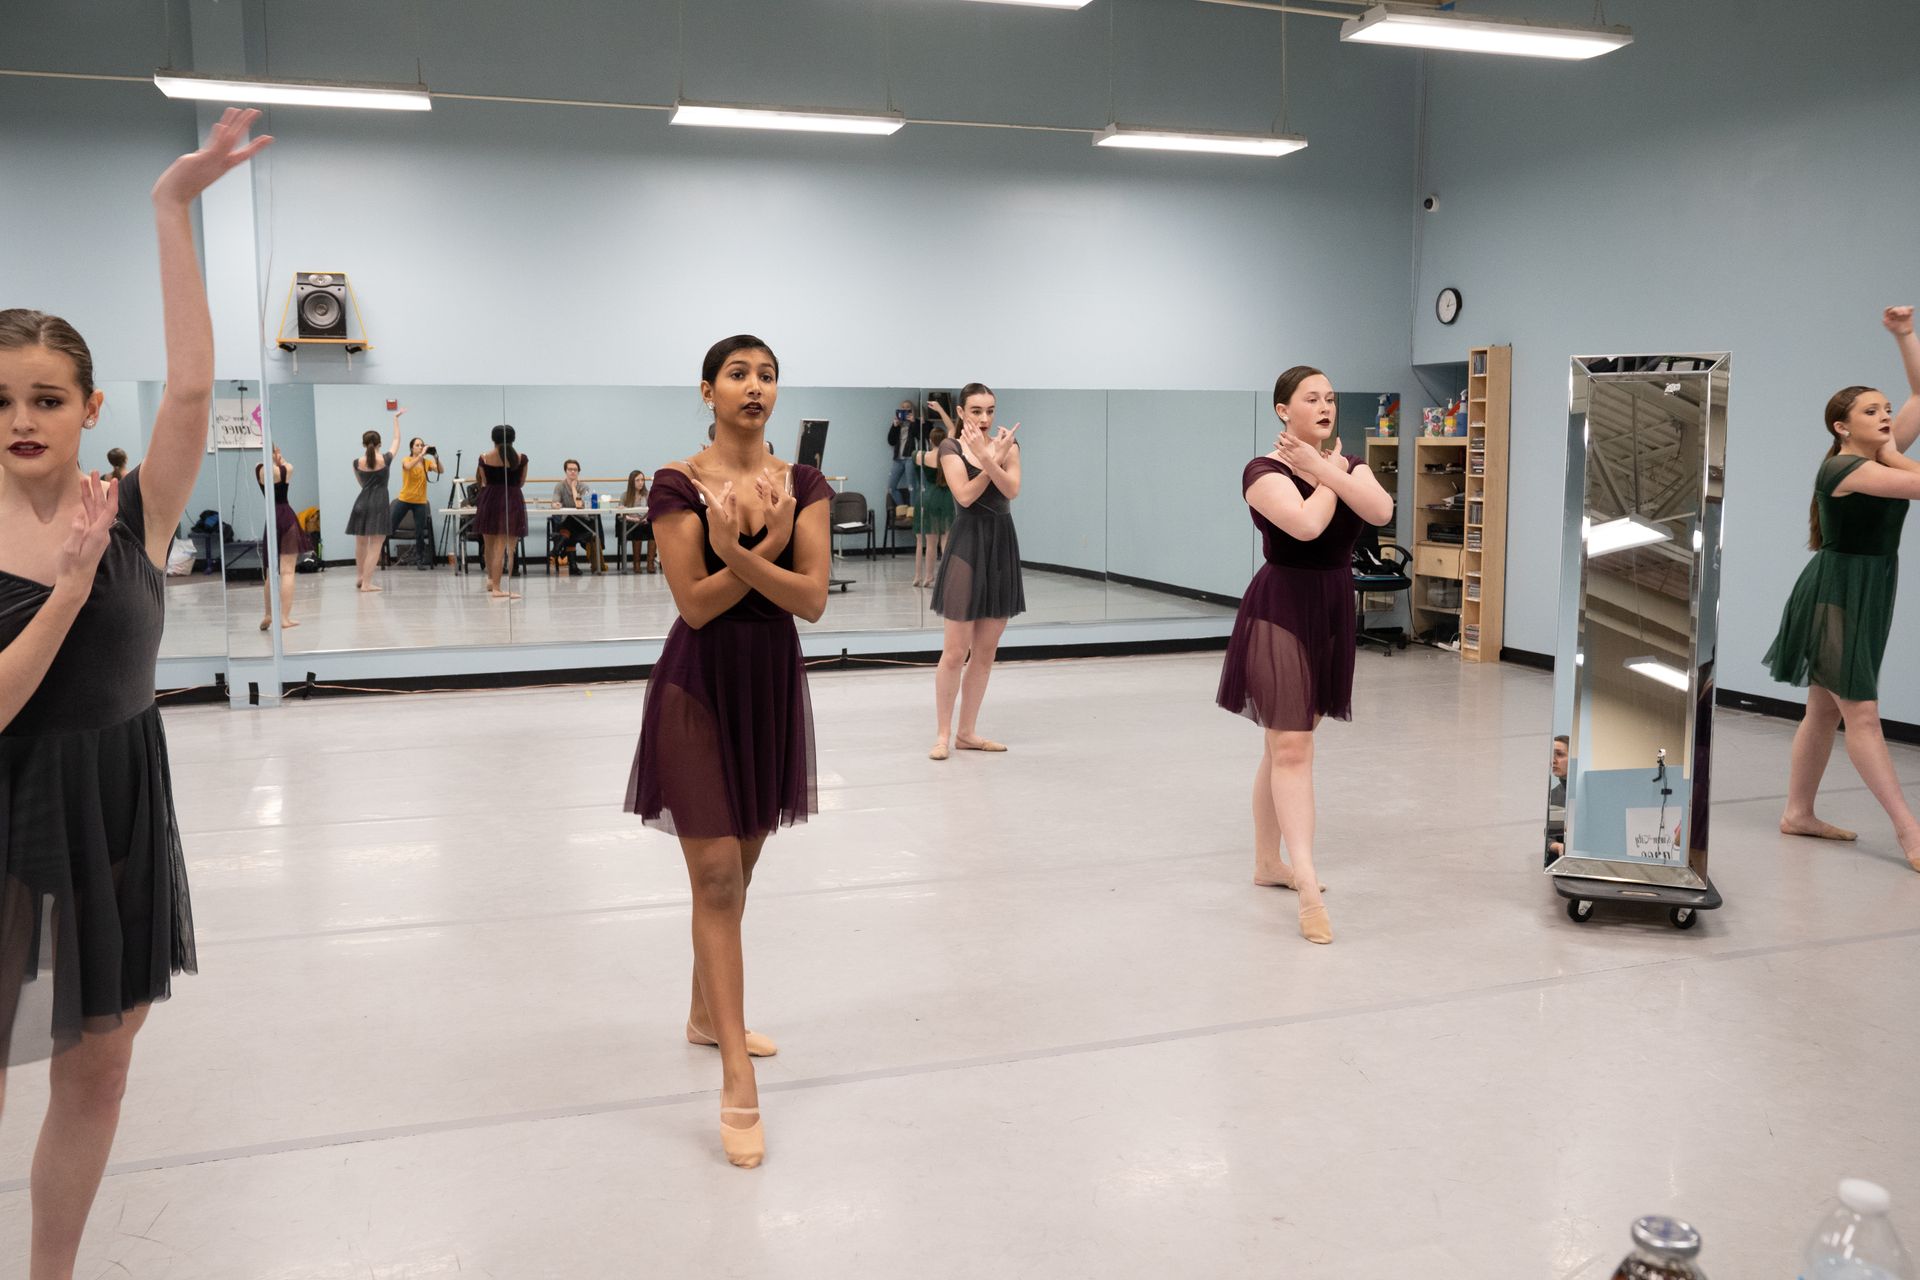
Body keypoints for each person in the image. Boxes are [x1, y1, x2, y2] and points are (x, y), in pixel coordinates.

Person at [0, 109, 268, 1276]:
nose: (21, 420)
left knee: (98, 1064)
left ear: (88, 409)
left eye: (47, 398)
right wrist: (62, 590)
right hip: (7, 802)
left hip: (113, 798)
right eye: (2, 399)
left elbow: (197, 393)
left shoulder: (134, 510)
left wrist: (173, 208)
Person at [625, 335, 832, 1169]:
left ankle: (706, 1014)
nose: (755, 387)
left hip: (769, 683)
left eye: (767, 375)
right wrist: (764, 551)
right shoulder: (677, 482)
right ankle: (736, 1074)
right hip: (700, 685)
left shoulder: (805, 484)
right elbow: (697, 605)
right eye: (738, 375)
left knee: (738, 872)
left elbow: (812, 599)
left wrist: (749, 550)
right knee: (714, 875)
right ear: (708, 390)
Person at [1216, 366, 1393, 945]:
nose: (1325, 406)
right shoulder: (1261, 471)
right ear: (1282, 411)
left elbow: (1381, 512)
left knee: (1283, 742)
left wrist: (1330, 469)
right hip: (1282, 609)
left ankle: (1269, 863)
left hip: (1333, 610)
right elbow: (1308, 528)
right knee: (1292, 747)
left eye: (1331, 398)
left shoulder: (1348, 463)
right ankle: (1309, 884)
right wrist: (1324, 473)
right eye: (1311, 398)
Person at [1766, 306, 1920, 871]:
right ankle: (1911, 832)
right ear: (1841, 426)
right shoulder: (1846, 471)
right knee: (1863, 715)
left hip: (1866, 586)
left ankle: (1798, 813)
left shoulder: (1873, 451)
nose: (1885, 416)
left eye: (1885, 409)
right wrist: (1900, 454)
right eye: (1871, 411)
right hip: (1839, 592)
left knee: (1823, 712)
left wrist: (1905, 335)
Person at [926, 386, 1023, 760]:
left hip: (1000, 542)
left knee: (985, 653)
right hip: (967, 543)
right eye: (976, 411)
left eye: (990, 411)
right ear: (961, 412)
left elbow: (1011, 489)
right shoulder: (949, 449)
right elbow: (964, 496)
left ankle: (967, 733)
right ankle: (943, 734)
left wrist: (992, 457)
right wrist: (986, 461)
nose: (984, 419)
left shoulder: (1009, 445)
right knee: (955, 652)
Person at [344, 410, 401, 591]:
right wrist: (395, 419)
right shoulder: (385, 459)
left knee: (361, 543)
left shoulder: (356, 463)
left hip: (361, 502)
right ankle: (367, 584)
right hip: (379, 503)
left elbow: (361, 483)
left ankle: (360, 577)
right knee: (376, 545)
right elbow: (397, 440)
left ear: (363, 444)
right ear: (380, 444)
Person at [255, 441, 306, 629]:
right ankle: (284, 618)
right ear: (276, 450)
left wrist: (272, 457)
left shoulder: (259, 470)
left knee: (270, 572)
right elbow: (286, 466)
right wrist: (280, 458)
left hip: (271, 517)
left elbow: (267, 468)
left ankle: (268, 613)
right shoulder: (286, 469)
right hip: (286, 516)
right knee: (287, 571)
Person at [473, 424, 527, 600]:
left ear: (493, 439)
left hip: (490, 498)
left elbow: (485, 481)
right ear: (513, 439)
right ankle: (499, 587)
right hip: (511, 498)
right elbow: (521, 483)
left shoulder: (484, 457)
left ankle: (491, 580)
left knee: (489, 544)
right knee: (506, 547)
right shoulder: (521, 458)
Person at [911, 425, 955, 588]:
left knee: (924, 541)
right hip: (946, 498)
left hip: (928, 496)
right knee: (945, 539)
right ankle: (945, 576)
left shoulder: (920, 456)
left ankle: (921, 576)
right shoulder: (948, 457)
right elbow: (951, 428)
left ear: (930, 440)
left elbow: (916, 473)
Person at [390, 433, 442, 569]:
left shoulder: (426, 462)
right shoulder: (406, 459)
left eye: (421, 445)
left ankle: (420, 560)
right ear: (412, 448)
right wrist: (421, 455)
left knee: (419, 532)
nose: (420, 447)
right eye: (417, 445)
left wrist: (436, 456)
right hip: (405, 499)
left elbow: (441, 471)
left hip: (420, 502)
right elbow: (408, 467)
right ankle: (378, 554)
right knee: (391, 526)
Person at [549, 457, 598, 574]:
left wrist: (573, 488)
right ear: (565, 471)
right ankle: (572, 567)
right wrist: (556, 504)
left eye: (575, 470)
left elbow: (579, 505)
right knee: (569, 524)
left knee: (570, 521)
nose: (572, 472)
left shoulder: (584, 487)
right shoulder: (559, 486)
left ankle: (555, 551)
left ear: (578, 472)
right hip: (568, 522)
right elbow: (554, 502)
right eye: (570, 469)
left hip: (583, 522)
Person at [886, 398, 923, 509]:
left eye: (908, 408)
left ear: (912, 410)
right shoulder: (898, 424)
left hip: (910, 458)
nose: (905, 409)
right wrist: (895, 426)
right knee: (891, 488)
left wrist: (914, 422)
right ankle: (903, 509)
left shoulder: (915, 423)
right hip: (898, 459)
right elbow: (891, 441)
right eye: (903, 407)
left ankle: (912, 514)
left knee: (912, 487)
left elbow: (920, 436)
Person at [620, 468, 656, 573]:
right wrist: (633, 519)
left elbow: (653, 510)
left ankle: (650, 562)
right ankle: (636, 563)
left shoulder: (648, 494)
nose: (641, 483)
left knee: (653, 529)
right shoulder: (625, 495)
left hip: (645, 521)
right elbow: (621, 514)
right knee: (637, 530)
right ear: (632, 482)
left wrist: (646, 518)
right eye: (637, 480)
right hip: (632, 522)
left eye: (642, 480)